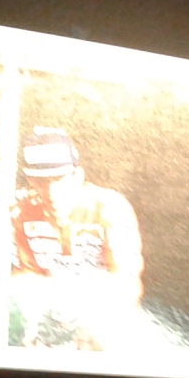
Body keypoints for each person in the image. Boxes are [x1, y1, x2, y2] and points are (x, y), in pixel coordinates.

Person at [10, 127, 144, 349]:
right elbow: (27, 278)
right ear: (29, 180)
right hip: (52, 320)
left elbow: (126, 280)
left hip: (106, 319)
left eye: (59, 179)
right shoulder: (23, 213)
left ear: (78, 176)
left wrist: (101, 328)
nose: (51, 191)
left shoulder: (110, 208)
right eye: (41, 181)